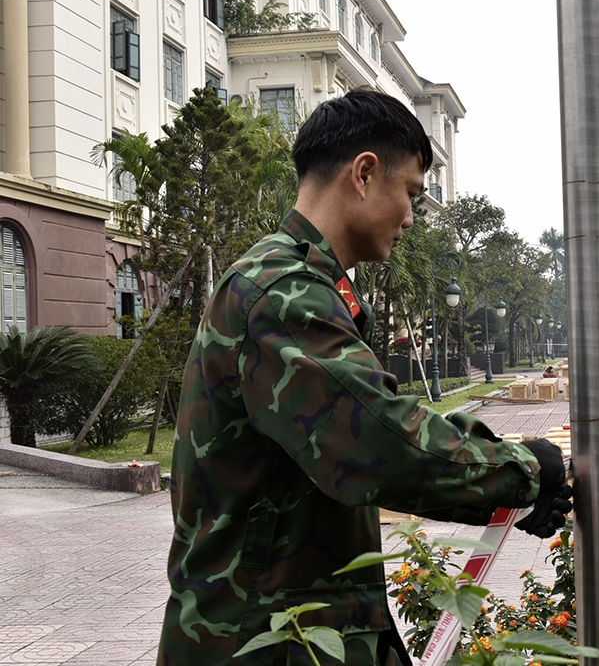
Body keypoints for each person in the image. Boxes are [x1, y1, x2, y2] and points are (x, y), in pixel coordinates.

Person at [157, 90, 572, 666]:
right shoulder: (283, 293)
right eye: (410, 194)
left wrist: (513, 492)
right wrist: (524, 470)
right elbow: (376, 441)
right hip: (262, 638)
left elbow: (359, 423)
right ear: (365, 173)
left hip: (291, 625)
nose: (409, 217)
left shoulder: (302, 285)